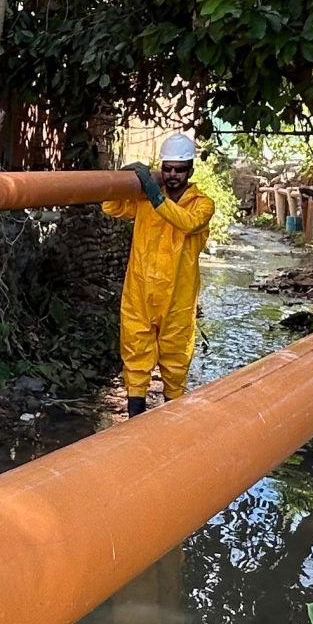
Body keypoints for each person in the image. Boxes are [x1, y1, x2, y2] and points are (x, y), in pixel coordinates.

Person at [104, 131, 215, 415]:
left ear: (190, 170)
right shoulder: (144, 200)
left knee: (175, 360)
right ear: (162, 168)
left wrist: (154, 195)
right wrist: (125, 179)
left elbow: (188, 223)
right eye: (167, 169)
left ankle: (172, 424)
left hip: (178, 298)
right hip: (140, 292)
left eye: (179, 170)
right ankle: (134, 421)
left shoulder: (202, 205)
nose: (173, 175)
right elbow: (110, 206)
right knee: (136, 354)